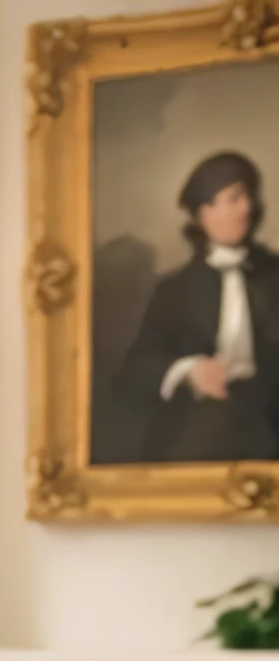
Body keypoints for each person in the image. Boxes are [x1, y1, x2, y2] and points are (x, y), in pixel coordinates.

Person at [115, 150, 279, 462]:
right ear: (203, 213)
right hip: (198, 431)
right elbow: (132, 375)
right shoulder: (174, 291)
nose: (246, 208)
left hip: (270, 426)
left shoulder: (275, 276)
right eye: (233, 198)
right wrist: (189, 372)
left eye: (247, 197)